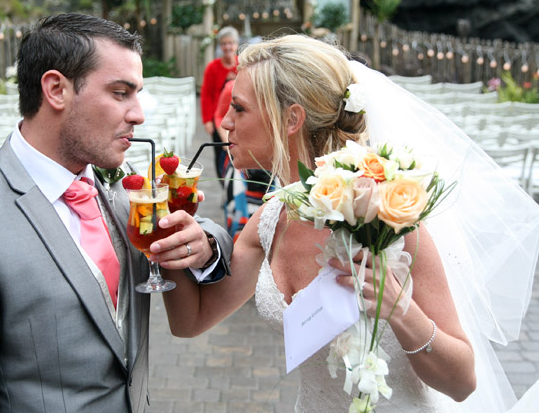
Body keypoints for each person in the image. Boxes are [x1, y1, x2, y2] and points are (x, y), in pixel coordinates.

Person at [157, 34, 539, 412]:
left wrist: (401, 311)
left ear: (292, 119)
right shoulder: (270, 219)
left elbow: (463, 383)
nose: (224, 121)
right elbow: (191, 320)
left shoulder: (387, 219)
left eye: (239, 109)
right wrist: (166, 238)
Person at [0, 13, 232, 413]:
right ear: (56, 89)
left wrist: (204, 247)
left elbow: (202, 228)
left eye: (137, 93)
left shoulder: (121, 182)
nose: (138, 114)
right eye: (120, 93)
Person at [214, 78, 274, 241]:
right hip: (238, 160)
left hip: (267, 167)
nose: (228, 121)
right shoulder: (231, 88)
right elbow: (219, 118)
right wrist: (230, 146)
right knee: (237, 210)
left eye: (239, 108)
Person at [200, 26, 239, 178]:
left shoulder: (242, 65)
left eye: (230, 43)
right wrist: (207, 120)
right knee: (221, 154)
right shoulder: (212, 67)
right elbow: (206, 95)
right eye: (224, 43)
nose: (227, 47)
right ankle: (224, 183)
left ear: (236, 44)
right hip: (219, 119)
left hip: (237, 118)